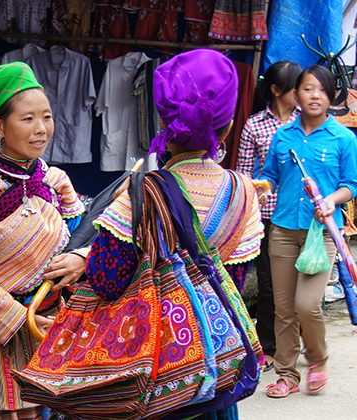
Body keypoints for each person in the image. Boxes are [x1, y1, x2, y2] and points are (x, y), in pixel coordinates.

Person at [85, 49, 264, 418]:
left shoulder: (141, 193)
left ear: (164, 118)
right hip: (211, 372)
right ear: (228, 126)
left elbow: (104, 279)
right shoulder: (244, 194)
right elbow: (231, 282)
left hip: (148, 372)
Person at [0, 62, 87, 419]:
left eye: (47, 117)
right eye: (28, 119)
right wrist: (22, 318)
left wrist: (81, 258)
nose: (41, 130)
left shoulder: (57, 183)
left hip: (48, 325)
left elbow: (87, 238)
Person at [258, 65, 357, 398]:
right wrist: (261, 187)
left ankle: (317, 359)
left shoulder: (343, 138)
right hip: (283, 230)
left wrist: (331, 200)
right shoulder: (282, 136)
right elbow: (269, 175)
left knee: (307, 304)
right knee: (283, 309)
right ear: (295, 95)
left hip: (324, 233)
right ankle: (287, 375)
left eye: (322, 90)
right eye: (308, 89)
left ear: (331, 96)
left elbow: (351, 185)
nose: (315, 96)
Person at [235, 61, 302, 371]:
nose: (302, 93)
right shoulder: (254, 126)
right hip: (266, 216)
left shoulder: (308, 122)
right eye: (295, 87)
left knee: (301, 281)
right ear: (277, 91)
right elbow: (244, 174)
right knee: (269, 285)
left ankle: (298, 342)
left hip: (301, 215)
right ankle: (269, 346)